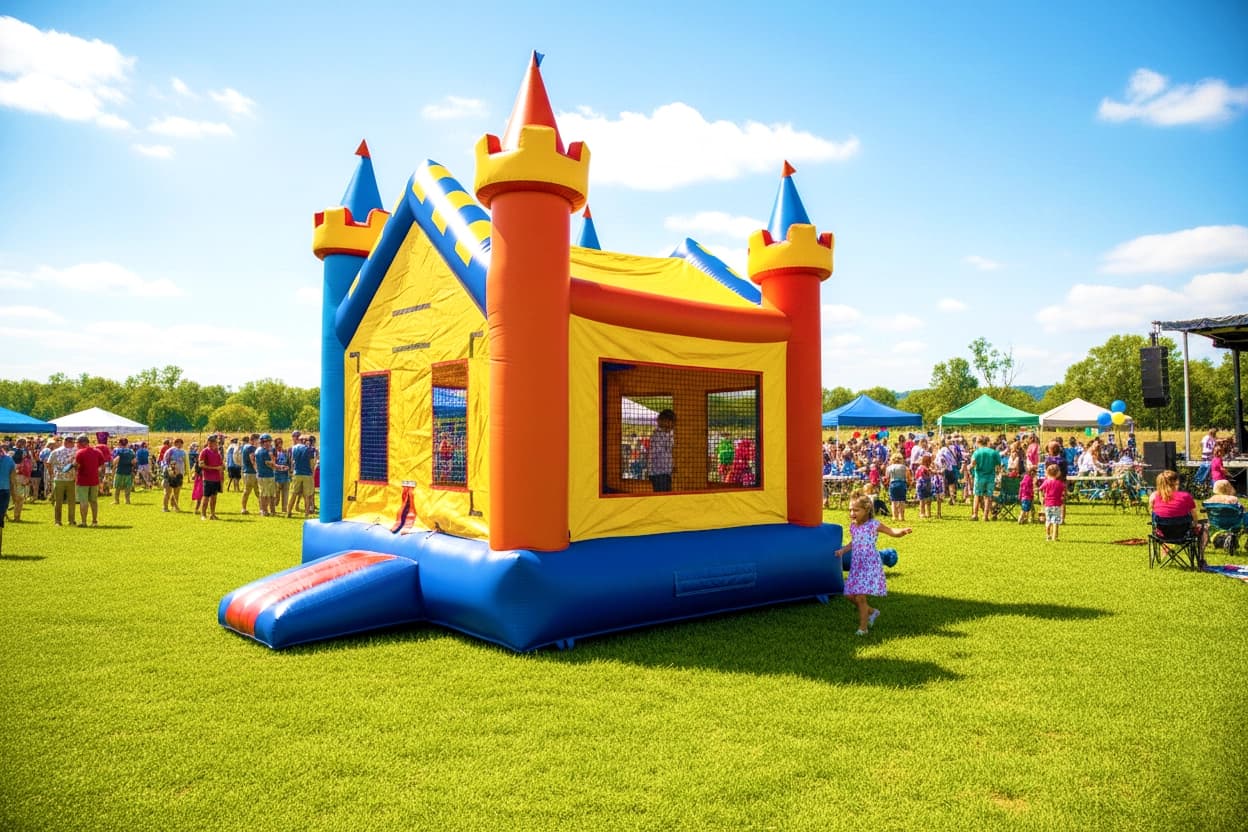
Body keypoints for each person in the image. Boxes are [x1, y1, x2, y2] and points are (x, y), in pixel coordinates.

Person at [834, 493, 912, 636]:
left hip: (870, 565)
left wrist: (900, 532)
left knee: (861, 598)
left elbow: (891, 531)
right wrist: (843, 550)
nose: (852, 513)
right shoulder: (854, 526)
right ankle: (872, 611)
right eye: (850, 510)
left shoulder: (873, 525)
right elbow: (854, 542)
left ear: (867, 509)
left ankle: (863, 628)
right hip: (857, 564)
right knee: (849, 595)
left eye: (856, 510)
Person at [73, 434, 105, 526]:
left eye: (77, 443)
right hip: (94, 480)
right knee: (94, 501)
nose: (76, 445)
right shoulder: (98, 452)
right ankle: (94, 521)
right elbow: (102, 466)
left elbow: (77, 466)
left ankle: (84, 522)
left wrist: (73, 465)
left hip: (82, 480)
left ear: (82, 443)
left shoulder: (79, 453)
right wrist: (100, 476)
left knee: (83, 501)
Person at [970, 435, 1002, 521]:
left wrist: (969, 467)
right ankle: (985, 516)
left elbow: (973, 463)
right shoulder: (994, 452)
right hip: (990, 477)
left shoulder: (976, 452)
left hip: (979, 477)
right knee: (988, 496)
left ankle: (975, 515)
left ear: (978, 443)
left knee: (977, 495)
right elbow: (999, 465)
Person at [49, 435, 78, 526]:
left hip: (72, 479)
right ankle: (58, 521)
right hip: (59, 479)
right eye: (68, 440)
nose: (70, 442)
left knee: (72, 501)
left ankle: (71, 520)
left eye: (71, 440)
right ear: (64, 441)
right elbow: (49, 463)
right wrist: (51, 475)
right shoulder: (56, 452)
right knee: (58, 500)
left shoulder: (76, 451)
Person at [288, 434, 315, 518]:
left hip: (297, 473)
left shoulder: (294, 448)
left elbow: (292, 460)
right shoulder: (309, 450)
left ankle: (289, 512)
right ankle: (306, 514)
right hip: (307, 474)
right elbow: (311, 463)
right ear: (305, 441)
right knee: (307, 495)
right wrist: (312, 472)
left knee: (293, 493)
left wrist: (292, 471)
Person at [198, 434, 224, 520]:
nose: (216, 444)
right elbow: (201, 465)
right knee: (206, 497)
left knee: (214, 498)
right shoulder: (204, 451)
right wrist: (214, 468)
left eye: (216, 442)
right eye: (214, 442)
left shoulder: (217, 452)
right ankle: (203, 514)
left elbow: (220, 464)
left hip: (217, 479)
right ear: (209, 442)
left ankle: (212, 514)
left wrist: (222, 470)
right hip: (208, 478)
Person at [648, 410, 675, 493]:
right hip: (658, 474)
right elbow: (653, 455)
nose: (673, 424)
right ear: (664, 421)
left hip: (666, 473)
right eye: (671, 421)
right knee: (662, 497)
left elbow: (668, 452)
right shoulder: (657, 435)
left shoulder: (669, 434)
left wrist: (671, 465)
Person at [1039, 462, 1067, 541]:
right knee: (1056, 521)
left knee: (1048, 520)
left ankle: (1048, 536)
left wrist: (1042, 498)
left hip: (1048, 504)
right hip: (1057, 504)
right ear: (1058, 473)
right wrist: (1063, 496)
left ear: (1047, 473)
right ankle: (1055, 537)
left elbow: (1040, 489)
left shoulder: (1046, 482)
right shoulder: (1059, 483)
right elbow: (1064, 491)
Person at [163, 437, 187, 512]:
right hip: (170, 474)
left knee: (177, 492)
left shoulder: (183, 452)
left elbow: (185, 462)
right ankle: (165, 507)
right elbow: (165, 461)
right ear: (174, 443)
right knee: (168, 492)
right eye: (177, 442)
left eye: (181, 443)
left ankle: (175, 507)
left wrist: (183, 472)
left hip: (179, 474)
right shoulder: (170, 451)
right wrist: (169, 470)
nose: (179, 444)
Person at [255, 434, 277, 515]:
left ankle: (271, 511)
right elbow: (269, 463)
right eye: (267, 441)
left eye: (270, 441)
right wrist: (277, 465)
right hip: (266, 475)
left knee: (269, 494)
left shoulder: (258, 450)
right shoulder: (264, 452)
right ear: (263, 442)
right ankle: (265, 511)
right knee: (265, 494)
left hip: (264, 475)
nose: (269, 443)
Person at [885, 452, 910, 521]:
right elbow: (908, 477)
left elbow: (887, 478)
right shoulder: (905, 467)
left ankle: (895, 517)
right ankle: (901, 517)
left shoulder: (889, 468)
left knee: (894, 501)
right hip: (902, 484)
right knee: (902, 501)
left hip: (893, 484)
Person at [112, 437, 136, 505]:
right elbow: (134, 461)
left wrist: (113, 465)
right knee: (127, 487)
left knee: (117, 487)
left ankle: (116, 501)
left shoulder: (118, 450)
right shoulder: (131, 451)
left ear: (119, 443)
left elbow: (116, 460)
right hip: (128, 471)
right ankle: (127, 501)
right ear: (127, 443)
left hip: (119, 471)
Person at [240, 433, 259, 514]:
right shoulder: (251, 448)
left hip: (247, 472)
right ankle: (243, 509)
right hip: (251, 472)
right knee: (250, 491)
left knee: (254, 491)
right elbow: (253, 460)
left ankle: (244, 508)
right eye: (258, 439)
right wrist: (257, 471)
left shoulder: (245, 447)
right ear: (253, 440)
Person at [272, 437, 292, 515]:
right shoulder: (273, 452)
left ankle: (284, 509)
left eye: (281, 442)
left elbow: (289, 461)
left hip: (285, 475)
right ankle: (274, 506)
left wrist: (289, 469)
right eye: (278, 443)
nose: (279, 444)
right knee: (276, 493)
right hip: (276, 475)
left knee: (285, 492)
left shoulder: (285, 452)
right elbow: (272, 463)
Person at [0, 444, 14, 553]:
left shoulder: (9, 460)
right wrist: (14, 494)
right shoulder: (9, 460)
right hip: (5, 490)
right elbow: (12, 478)